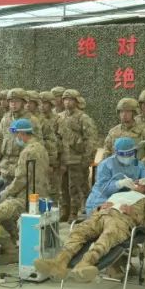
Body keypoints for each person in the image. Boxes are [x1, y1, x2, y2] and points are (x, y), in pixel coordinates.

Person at [35, 167, 145, 283]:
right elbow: (94, 211)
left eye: (140, 183)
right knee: (79, 231)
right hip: (99, 216)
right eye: (137, 181)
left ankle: (85, 264)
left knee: (108, 235)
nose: (136, 182)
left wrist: (133, 213)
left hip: (120, 220)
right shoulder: (117, 194)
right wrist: (100, 208)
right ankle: (59, 263)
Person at [0, 118, 51, 264]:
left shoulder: (28, 152)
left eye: (16, 135)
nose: (15, 138)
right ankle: (13, 245)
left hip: (26, 198)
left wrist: (6, 193)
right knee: (5, 216)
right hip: (39, 195)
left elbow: (21, 180)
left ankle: (11, 251)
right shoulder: (41, 148)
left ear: (21, 134)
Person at [85, 137, 145, 215]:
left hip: (125, 201)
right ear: (116, 152)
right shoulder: (106, 165)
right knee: (108, 216)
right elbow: (103, 188)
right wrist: (119, 184)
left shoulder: (137, 164)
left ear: (134, 151)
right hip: (103, 200)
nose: (127, 157)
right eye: (123, 154)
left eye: (130, 154)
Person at [57, 89, 98, 221]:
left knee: (76, 187)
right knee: (63, 187)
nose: (67, 102)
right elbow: (56, 138)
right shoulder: (59, 117)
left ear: (76, 101)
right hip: (63, 160)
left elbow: (90, 140)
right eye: (65, 99)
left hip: (77, 159)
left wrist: (87, 159)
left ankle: (75, 213)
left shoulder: (83, 118)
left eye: (70, 100)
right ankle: (65, 211)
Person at [103, 98, 145, 166]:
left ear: (134, 113)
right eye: (121, 111)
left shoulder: (144, 133)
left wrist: (144, 165)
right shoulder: (113, 132)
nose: (124, 115)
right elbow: (106, 152)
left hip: (136, 170)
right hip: (117, 169)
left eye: (127, 111)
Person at [0, 88, 28, 177]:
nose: (13, 104)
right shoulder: (5, 119)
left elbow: (37, 146)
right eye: (11, 101)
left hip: (23, 165)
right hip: (5, 165)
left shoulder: (31, 120)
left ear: (23, 103)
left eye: (17, 101)